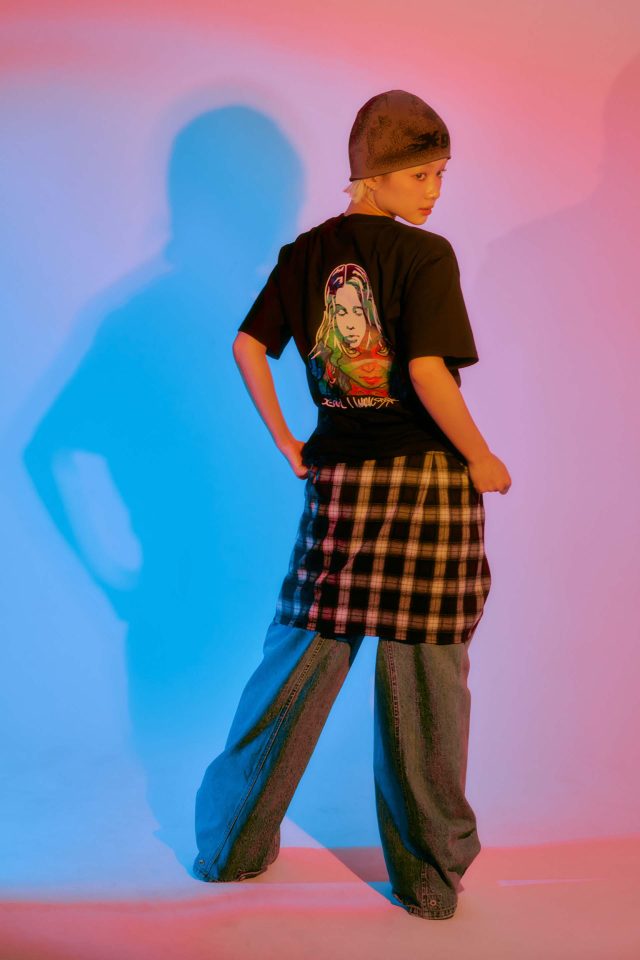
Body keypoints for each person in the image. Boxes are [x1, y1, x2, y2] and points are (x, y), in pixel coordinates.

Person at [192, 89, 512, 920]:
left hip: (338, 485)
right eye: (421, 173)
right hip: (428, 486)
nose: (434, 190)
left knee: (297, 666)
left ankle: (229, 847)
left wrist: (288, 441)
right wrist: (481, 457)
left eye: (441, 173)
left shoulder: (305, 254)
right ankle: (429, 881)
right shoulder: (425, 255)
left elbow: (247, 345)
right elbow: (427, 372)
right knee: (427, 687)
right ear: (374, 173)